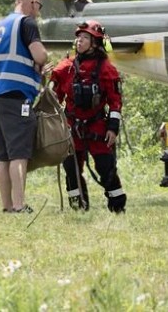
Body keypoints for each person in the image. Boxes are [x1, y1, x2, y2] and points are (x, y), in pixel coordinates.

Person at [0, 0, 48, 214]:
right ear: (30, 3)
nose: (38, 11)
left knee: (2, 155)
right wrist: (42, 62)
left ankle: (7, 206)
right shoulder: (26, 23)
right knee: (19, 154)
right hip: (16, 95)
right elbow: (40, 56)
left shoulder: (0, 27)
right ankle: (20, 205)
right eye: (39, 6)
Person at [49, 20, 127, 212]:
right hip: (71, 128)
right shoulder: (65, 68)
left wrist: (113, 128)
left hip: (98, 128)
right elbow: (53, 98)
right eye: (78, 38)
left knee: (106, 170)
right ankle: (78, 207)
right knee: (71, 171)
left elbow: (115, 102)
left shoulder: (107, 70)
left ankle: (117, 207)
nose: (80, 41)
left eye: (85, 38)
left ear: (95, 43)